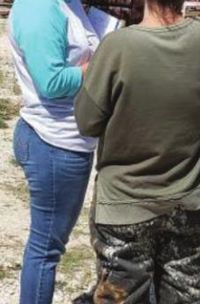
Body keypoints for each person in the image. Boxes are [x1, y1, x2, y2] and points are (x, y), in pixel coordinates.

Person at [74, 0, 200, 302]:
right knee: (187, 292)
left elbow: (87, 122)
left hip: (125, 202)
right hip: (189, 199)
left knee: (122, 295)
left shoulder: (117, 46)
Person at [8, 0, 99, 303]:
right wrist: (103, 65)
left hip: (65, 139)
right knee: (45, 248)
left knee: (47, 245)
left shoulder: (66, 4)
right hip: (55, 144)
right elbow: (52, 82)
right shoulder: (39, 9)